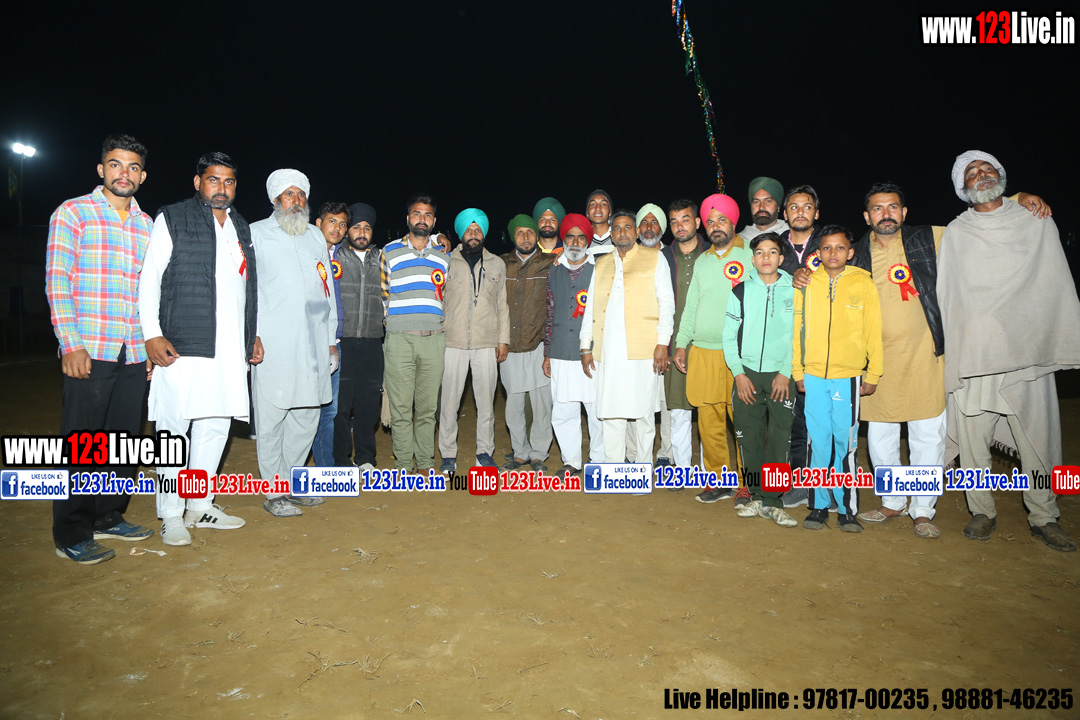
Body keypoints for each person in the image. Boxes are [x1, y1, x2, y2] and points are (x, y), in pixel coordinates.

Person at [848, 182, 1051, 539]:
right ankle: (893, 501)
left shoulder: (929, 238)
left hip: (926, 356)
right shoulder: (856, 253)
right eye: (878, 208)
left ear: (904, 212)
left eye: (892, 207)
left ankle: (922, 510)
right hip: (876, 362)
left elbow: (976, 224)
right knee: (880, 438)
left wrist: (1015, 199)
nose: (886, 214)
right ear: (867, 216)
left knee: (927, 437)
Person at [939, 151, 1080, 552]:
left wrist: (1021, 198)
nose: (981, 175)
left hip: (1026, 353)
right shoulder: (957, 232)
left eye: (988, 169)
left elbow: (1052, 282)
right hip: (977, 353)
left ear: (1001, 176)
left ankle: (1044, 515)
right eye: (972, 173)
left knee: (1037, 439)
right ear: (962, 188)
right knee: (973, 442)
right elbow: (949, 295)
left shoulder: (1034, 220)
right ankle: (981, 511)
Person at [139, 151, 260, 546]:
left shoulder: (240, 226)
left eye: (229, 181)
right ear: (198, 182)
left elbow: (246, 288)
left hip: (229, 347)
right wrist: (152, 333)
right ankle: (171, 514)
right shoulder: (173, 218)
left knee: (215, 425)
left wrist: (251, 333)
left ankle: (199, 505)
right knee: (174, 429)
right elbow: (150, 279)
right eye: (213, 179)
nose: (221, 188)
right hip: (183, 343)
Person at [45, 134, 156, 564]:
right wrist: (70, 344)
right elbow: (57, 281)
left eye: (132, 167)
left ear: (142, 176)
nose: (123, 173)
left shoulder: (148, 225)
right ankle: (71, 531)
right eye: (115, 164)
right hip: (90, 348)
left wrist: (148, 347)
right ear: (101, 169)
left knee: (124, 441)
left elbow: (149, 291)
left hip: (133, 351)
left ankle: (108, 515)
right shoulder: (73, 213)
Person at [250, 169, 338, 517]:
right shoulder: (256, 233)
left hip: (314, 343)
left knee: (307, 416)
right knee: (272, 417)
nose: (296, 200)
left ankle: (291, 484)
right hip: (273, 343)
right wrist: (251, 334)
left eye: (300, 194)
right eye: (288, 194)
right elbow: (246, 290)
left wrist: (331, 340)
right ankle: (274, 492)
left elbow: (327, 291)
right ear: (275, 199)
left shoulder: (315, 236)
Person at [792, 225, 882, 533]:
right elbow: (797, 330)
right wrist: (798, 370)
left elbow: (873, 329)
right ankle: (818, 506)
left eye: (840, 247)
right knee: (817, 442)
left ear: (851, 252)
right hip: (814, 375)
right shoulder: (806, 283)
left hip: (848, 376)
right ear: (818, 253)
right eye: (827, 248)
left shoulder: (863, 283)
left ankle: (846, 509)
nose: (833, 253)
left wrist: (873, 372)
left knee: (845, 443)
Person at [673, 194, 750, 502]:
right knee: (709, 421)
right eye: (710, 222)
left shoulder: (751, 254)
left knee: (743, 422)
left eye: (722, 220)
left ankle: (748, 484)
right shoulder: (703, 262)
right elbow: (691, 306)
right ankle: (718, 481)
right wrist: (681, 343)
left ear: (733, 223)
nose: (716, 226)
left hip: (738, 355)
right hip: (702, 352)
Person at [580, 209, 674, 464]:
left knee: (643, 413)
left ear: (636, 232)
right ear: (611, 234)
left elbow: (667, 302)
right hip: (608, 352)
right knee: (611, 412)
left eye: (628, 227)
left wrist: (662, 343)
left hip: (643, 350)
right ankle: (614, 467)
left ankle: (642, 468)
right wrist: (585, 346)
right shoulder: (602, 263)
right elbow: (590, 307)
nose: (622, 233)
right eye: (617, 228)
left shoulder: (654, 258)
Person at [723, 233, 798, 527]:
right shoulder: (740, 291)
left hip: (781, 376)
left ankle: (773, 501)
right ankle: (755, 496)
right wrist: (739, 373)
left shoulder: (796, 290)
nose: (766, 257)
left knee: (779, 439)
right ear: (752, 259)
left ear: (781, 258)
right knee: (749, 438)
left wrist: (786, 371)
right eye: (760, 252)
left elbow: (799, 335)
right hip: (748, 375)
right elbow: (729, 336)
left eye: (773, 252)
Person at [382, 194, 450, 475]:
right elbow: (382, 294)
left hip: (434, 339)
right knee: (400, 408)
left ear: (434, 221)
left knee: (427, 409)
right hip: (399, 339)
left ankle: (425, 463)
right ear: (408, 218)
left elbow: (446, 295)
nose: (422, 219)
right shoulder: (389, 252)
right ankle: (402, 465)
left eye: (427, 215)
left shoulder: (443, 256)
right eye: (416, 214)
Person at [438, 208, 509, 473]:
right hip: (452, 342)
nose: (473, 234)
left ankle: (484, 452)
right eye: (468, 230)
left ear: (484, 234)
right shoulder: (445, 261)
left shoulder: (496, 263)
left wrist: (503, 340)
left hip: (486, 343)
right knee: (449, 403)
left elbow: (502, 305)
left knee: (486, 403)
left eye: (478, 230)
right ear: (460, 234)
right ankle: (448, 454)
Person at [543, 213, 604, 475]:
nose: (576, 242)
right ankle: (571, 461)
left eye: (581, 237)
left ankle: (599, 459)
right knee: (563, 409)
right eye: (570, 237)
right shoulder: (554, 269)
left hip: (592, 351)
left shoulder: (600, 268)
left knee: (596, 409)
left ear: (588, 241)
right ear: (564, 240)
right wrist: (547, 352)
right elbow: (549, 311)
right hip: (560, 349)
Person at [333, 202, 386, 470]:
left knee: (368, 404)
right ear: (347, 230)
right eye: (356, 227)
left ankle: (365, 458)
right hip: (343, 341)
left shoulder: (382, 258)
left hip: (373, 341)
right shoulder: (335, 256)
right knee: (341, 405)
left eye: (367, 228)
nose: (362, 232)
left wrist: (438, 238)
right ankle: (341, 459)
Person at [501, 214, 556, 472]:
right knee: (513, 406)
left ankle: (538, 454)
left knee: (541, 404)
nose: (526, 237)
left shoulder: (551, 263)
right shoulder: (501, 264)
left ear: (537, 236)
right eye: (520, 232)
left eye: (530, 232)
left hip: (539, 344)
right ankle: (520, 452)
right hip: (509, 345)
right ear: (513, 236)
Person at [660, 199, 709, 472]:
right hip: (675, 344)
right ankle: (682, 469)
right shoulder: (664, 257)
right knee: (679, 411)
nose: (680, 226)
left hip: (708, 345)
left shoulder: (713, 254)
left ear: (697, 222)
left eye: (685, 219)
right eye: (674, 222)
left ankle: (710, 472)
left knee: (709, 412)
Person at [310, 202, 347, 467]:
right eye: (332, 221)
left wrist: (438, 239)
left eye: (342, 223)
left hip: (335, 342)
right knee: (305, 409)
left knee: (329, 410)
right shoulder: (304, 251)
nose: (337, 228)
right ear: (318, 223)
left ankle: (325, 468)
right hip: (307, 343)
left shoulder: (343, 254)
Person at [739, 177, 789, 242]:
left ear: (778, 207)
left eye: (768, 201)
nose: (761, 207)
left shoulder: (791, 234)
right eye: (756, 202)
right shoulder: (741, 239)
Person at [586, 189, 615, 255]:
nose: (598, 208)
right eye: (593, 204)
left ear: (610, 212)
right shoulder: (582, 239)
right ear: (587, 213)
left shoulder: (619, 235)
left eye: (603, 204)